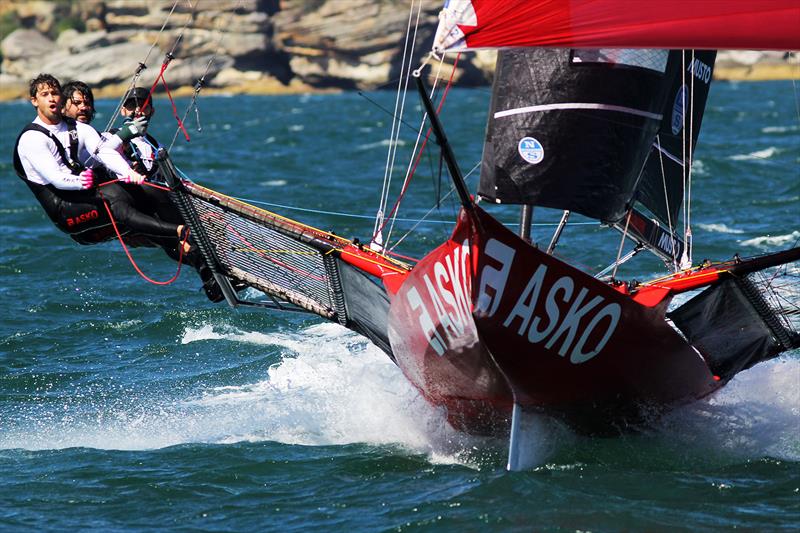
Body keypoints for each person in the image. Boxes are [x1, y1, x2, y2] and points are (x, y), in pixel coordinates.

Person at [13, 73, 188, 254]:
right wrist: (81, 181)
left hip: (87, 198)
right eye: (45, 94)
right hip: (65, 210)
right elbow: (56, 178)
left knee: (150, 190)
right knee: (115, 195)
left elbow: (104, 151)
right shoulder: (32, 138)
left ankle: (193, 250)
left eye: (55, 93)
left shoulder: (80, 129)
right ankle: (179, 232)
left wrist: (127, 172)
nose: (51, 98)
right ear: (34, 101)